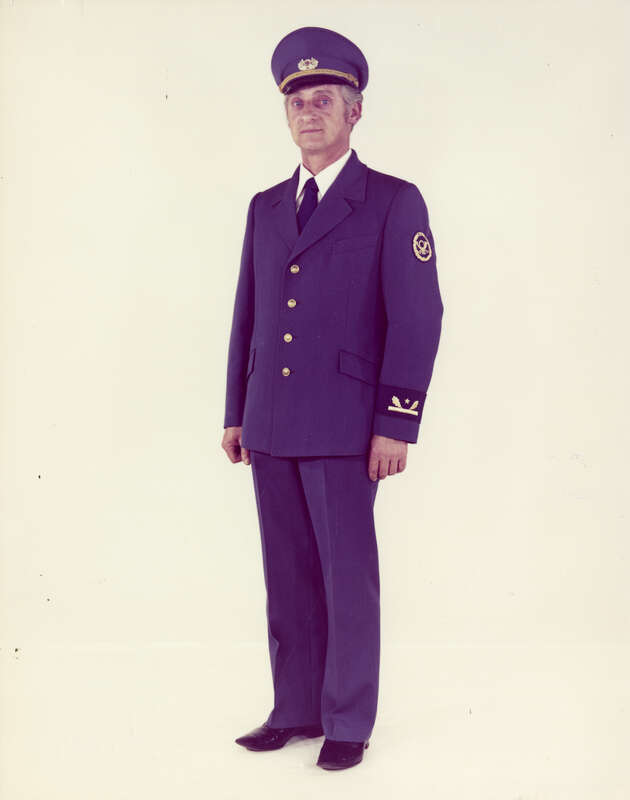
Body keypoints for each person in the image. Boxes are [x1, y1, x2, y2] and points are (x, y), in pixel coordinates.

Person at [221, 25, 443, 770]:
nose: (309, 112)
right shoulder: (264, 207)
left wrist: (396, 422)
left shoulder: (391, 201)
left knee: (346, 579)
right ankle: (294, 709)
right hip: (271, 420)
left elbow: (417, 317)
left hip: (347, 425)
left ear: (355, 111)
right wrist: (236, 412)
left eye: (324, 99)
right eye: (298, 102)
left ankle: (348, 720)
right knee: (285, 575)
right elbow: (248, 315)